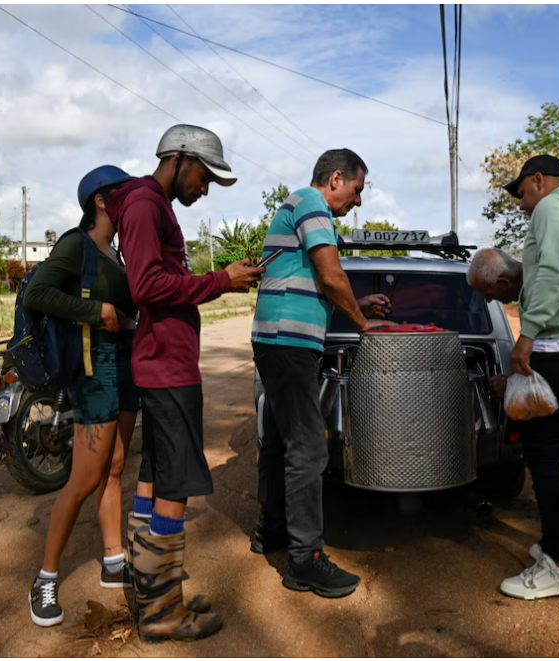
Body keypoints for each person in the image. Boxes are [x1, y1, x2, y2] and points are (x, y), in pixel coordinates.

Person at [106, 124, 263, 642]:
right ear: (178, 159)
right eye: (204, 176)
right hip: (166, 368)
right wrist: (222, 281)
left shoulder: (150, 204)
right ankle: (160, 615)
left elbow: (157, 281)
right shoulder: (147, 204)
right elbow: (147, 284)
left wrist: (223, 280)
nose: (206, 188)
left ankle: (154, 590)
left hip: (164, 363)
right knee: (174, 485)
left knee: (154, 475)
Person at [469, 154, 559, 601]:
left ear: (538, 180)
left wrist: (528, 335)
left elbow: (552, 272)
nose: (523, 206)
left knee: (545, 457)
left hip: (557, 349)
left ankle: (555, 563)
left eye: (523, 195)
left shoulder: (553, 208)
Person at [250, 148, 392, 599]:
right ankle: (306, 560)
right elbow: (331, 276)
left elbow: (314, 278)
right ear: (335, 179)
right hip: (288, 342)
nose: (358, 201)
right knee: (309, 449)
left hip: (274, 339)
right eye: (356, 190)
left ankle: (272, 530)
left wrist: (356, 303)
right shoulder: (311, 204)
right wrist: (362, 323)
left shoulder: (297, 205)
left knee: (279, 439)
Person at [24, 165, 139, 627]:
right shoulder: (77, 244)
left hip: (126, 364)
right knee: (84, 478)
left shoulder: (117, 253)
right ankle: (46, 577)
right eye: (122, 195)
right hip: (95, 368)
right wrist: (97, 311)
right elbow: (37, 292)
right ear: (100, 200)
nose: (129, 202)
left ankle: (114, 561)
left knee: (114, 467)